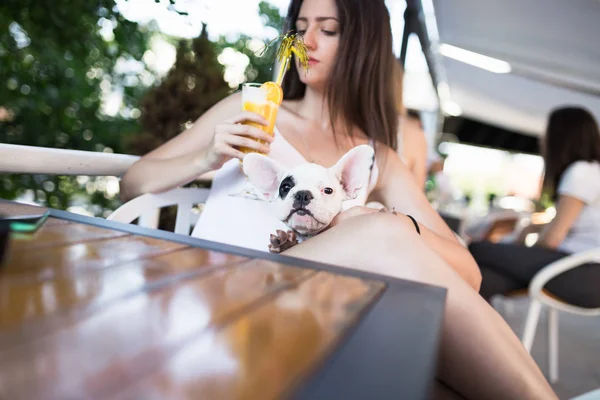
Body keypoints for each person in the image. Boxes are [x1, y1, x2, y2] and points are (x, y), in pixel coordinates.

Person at [120, 0, 558, 398]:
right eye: (301, 27)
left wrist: (389, 223)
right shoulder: (250, 111)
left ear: (362, 46)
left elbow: (468, 274)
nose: (306, 41)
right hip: (225, 294)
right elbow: (134, 181)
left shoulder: (376, 156)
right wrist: (207, 155)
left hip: (307, 317)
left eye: (328, 30)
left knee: (440, 377)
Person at [469, 106, 600, 308]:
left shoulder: (581, 171)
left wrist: (522, 249)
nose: (542, 138)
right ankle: (472, 335)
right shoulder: (592, 172)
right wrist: (532, 229)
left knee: (477, 249)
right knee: (485, 277)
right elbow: (570, 223)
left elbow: (551, 240)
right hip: (584, 276)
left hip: (583, 274)